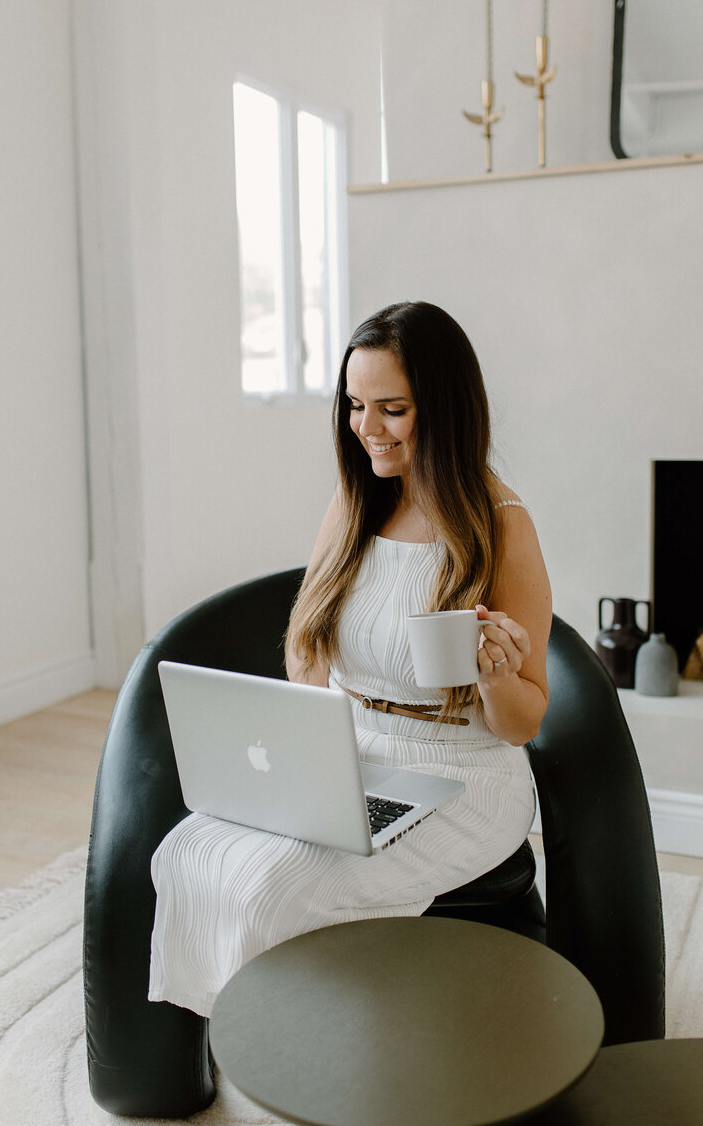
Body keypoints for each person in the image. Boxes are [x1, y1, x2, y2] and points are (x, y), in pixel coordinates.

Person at [148, 301, 552, 1017]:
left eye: (391, 408)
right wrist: (307, 756)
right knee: (188, 852)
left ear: (446, 408)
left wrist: (495, 675)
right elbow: (308, 648)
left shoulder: (503, 529)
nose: (366, 428)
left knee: (274, 887)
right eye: (356, 405)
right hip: (351, 752)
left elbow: (522, 724)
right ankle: (258, 1034)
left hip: (462, 774)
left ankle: (307, 1057)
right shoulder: (356, 504)